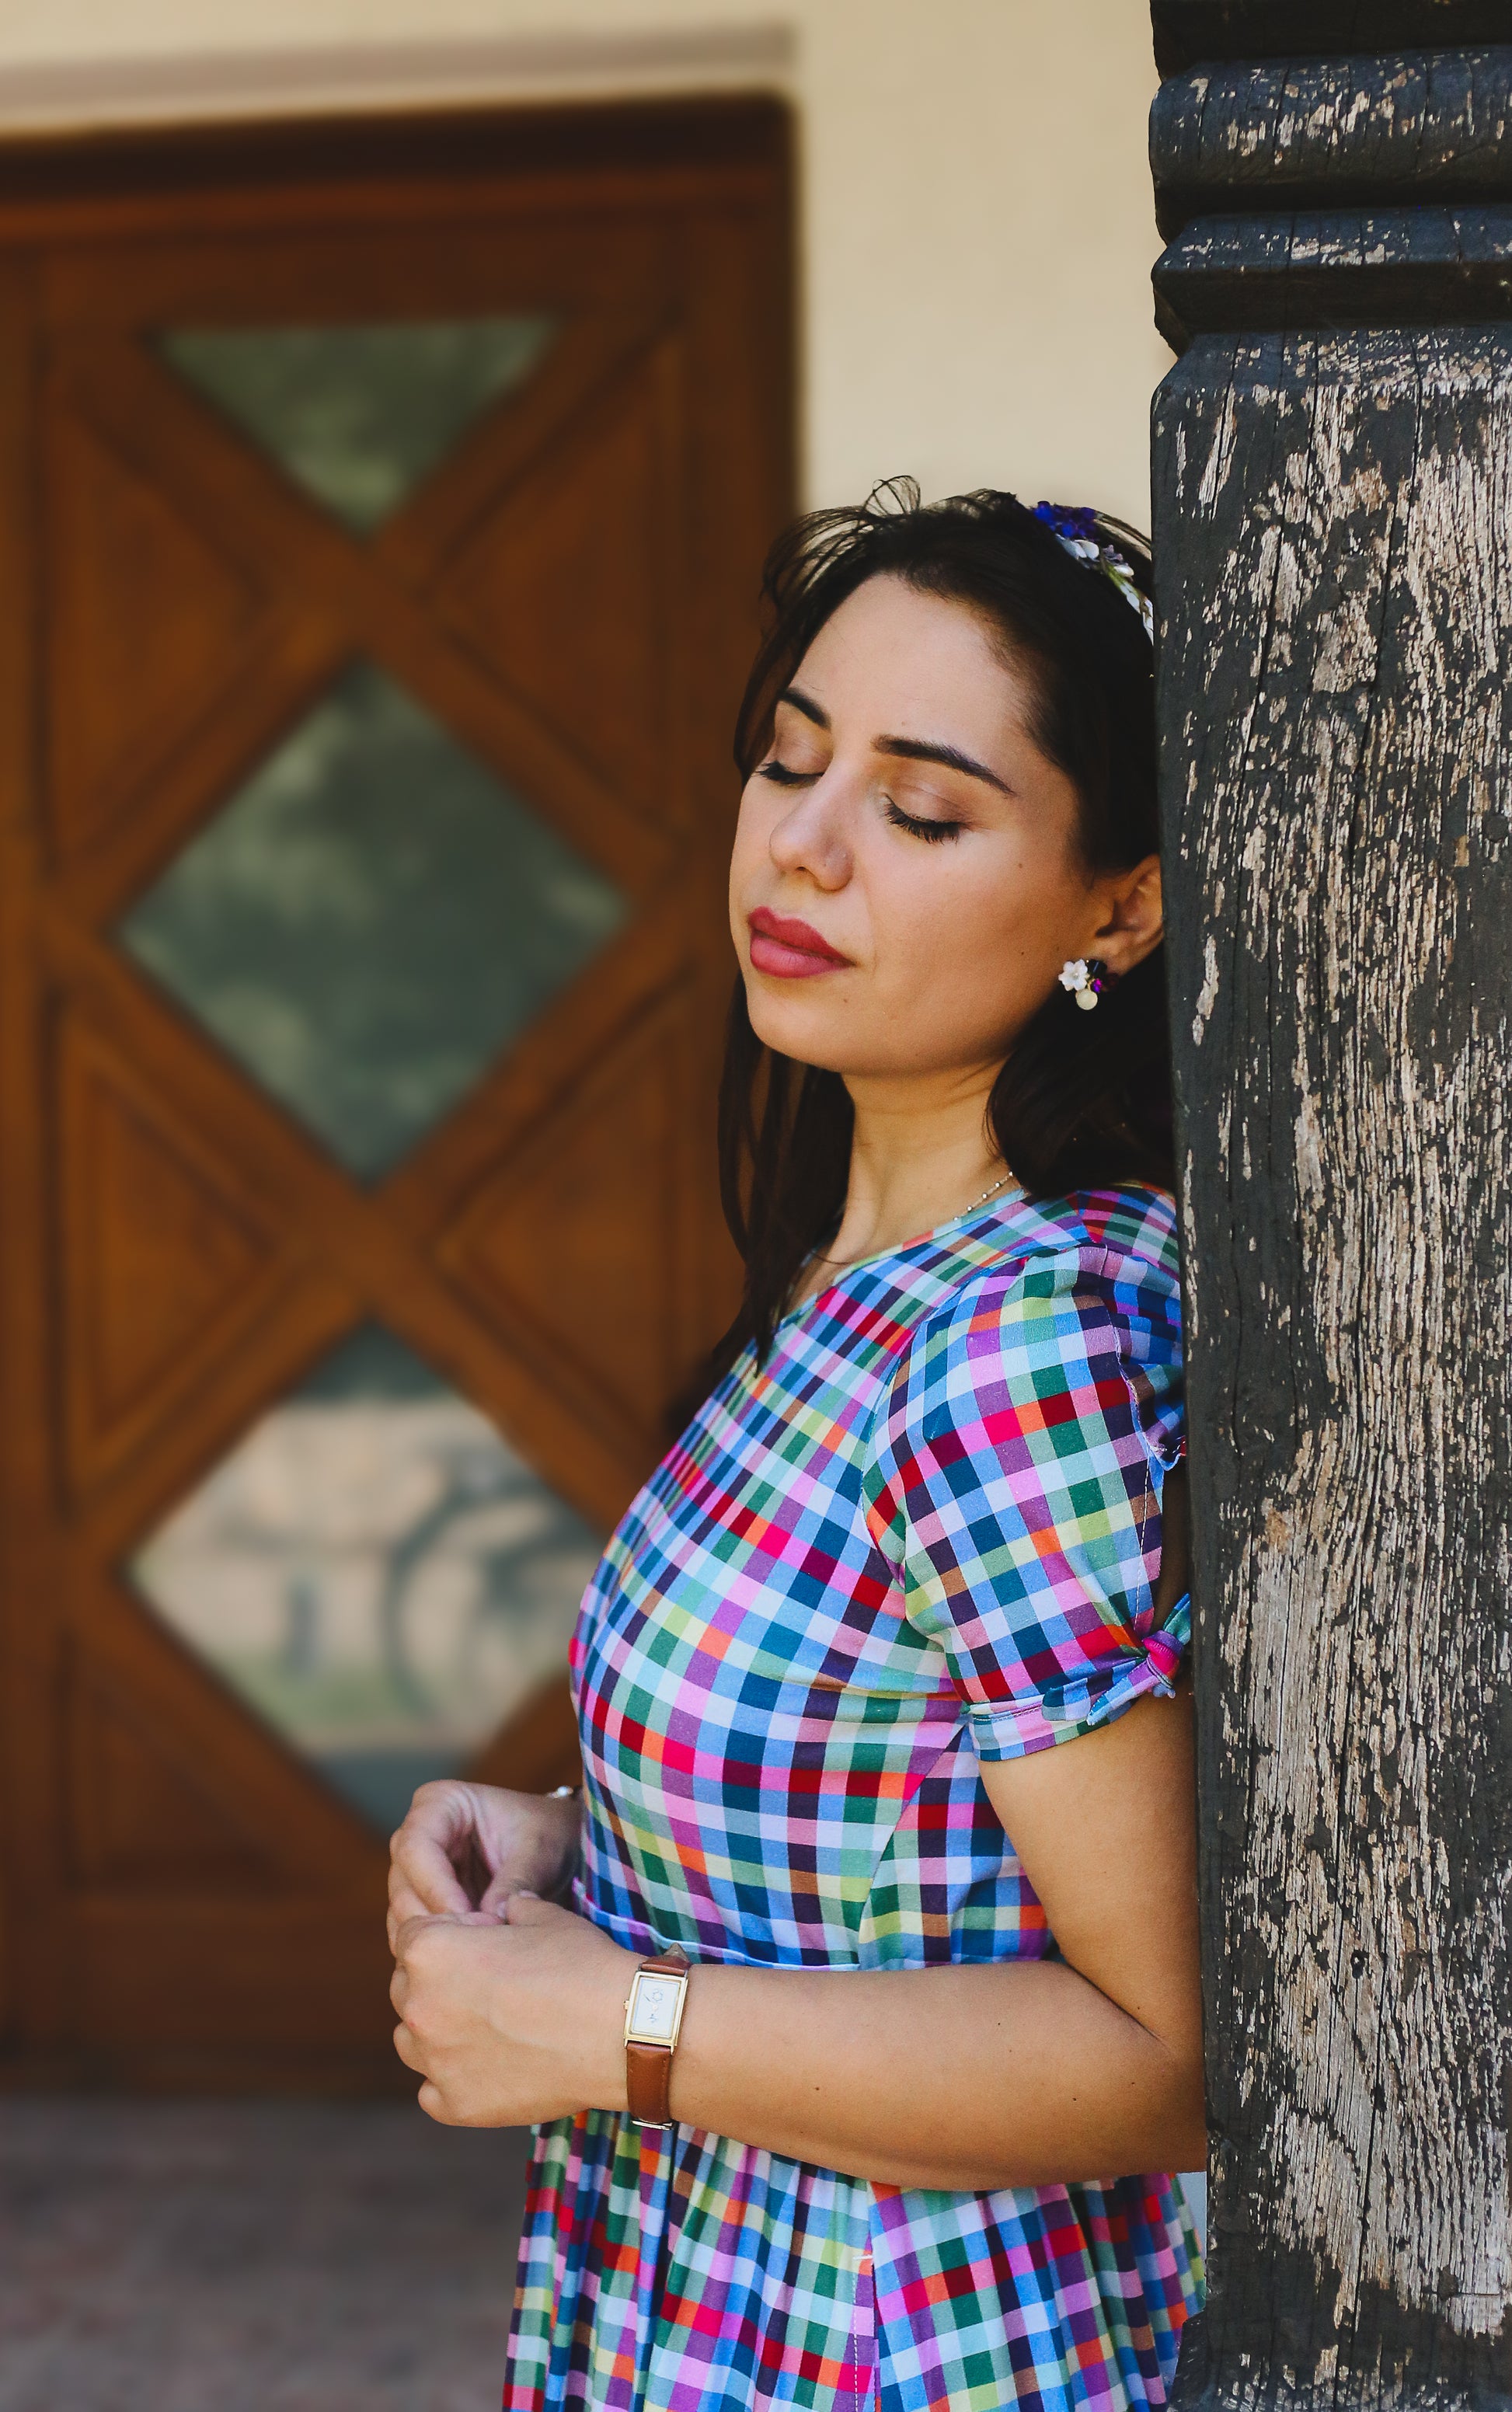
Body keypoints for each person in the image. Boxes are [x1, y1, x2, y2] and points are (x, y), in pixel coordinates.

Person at [388, 482, 1205, 2412]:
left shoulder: (1018, 1337)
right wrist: (584, 1861)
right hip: (726, 2315)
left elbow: (1166, 2056)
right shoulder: (854, 1280)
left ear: (1123, 902)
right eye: (787, 760)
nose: (806, 847)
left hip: (906, 2349)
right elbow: (921, 1840)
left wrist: (624, 2024)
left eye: (921, 811)